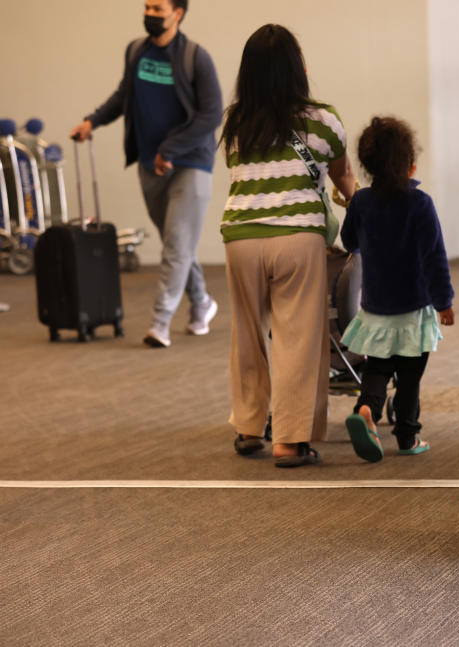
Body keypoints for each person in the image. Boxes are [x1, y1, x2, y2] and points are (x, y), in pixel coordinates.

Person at [220, 24, 358, 467]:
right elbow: (345, 179)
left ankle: (247, 426)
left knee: (246, 333)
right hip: (297, 237)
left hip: (241, 236)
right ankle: (291, 439)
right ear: (298, 69)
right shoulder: (322, 119)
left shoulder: (235, 121)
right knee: (298, 336)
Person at [70, 0, 222, 348]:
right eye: (147, 7)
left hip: (191, 164)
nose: (150, 13)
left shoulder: (196, 57)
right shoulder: (136, 51)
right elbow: (124, 95)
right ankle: (201, 303)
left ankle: (160, 323)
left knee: (177, 245)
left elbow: (212, 115)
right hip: (148, 163)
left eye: (158, 8)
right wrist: (92, 121)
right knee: (176, 244)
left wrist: (171, 149)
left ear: (178, 14)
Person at [339, 116, 455, 462]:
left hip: (376, 306)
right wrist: (443, 301)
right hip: (414, 307)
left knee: (376, 368)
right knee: (409, 377)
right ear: (409, 162)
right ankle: (407, 437)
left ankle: (366, 410)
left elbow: (349, 241)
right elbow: (435, 257)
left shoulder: (361, 202)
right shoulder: (420, 204)